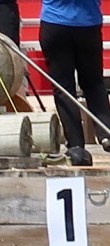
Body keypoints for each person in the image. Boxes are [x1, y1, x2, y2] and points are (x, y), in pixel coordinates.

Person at [38, 0, 110, 167]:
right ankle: (105, 133)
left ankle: (76, 145)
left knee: (64, 89)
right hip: (87, 22)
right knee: (93, 83)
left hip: (55, 20)